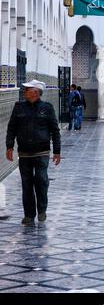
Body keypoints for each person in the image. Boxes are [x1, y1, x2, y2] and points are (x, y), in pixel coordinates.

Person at [6, 80, 61, 225]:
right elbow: (12, 128)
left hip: (42, 152)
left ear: (36, 92)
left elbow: (55, 130)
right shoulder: (19, 107)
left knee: (42, 180)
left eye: (27, 90)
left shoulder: (47, 108)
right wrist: (9, 146)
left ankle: (42, 209)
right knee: (27, 184)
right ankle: (29, 215)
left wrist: (57, 151)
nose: (24, 92)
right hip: (24, 153)